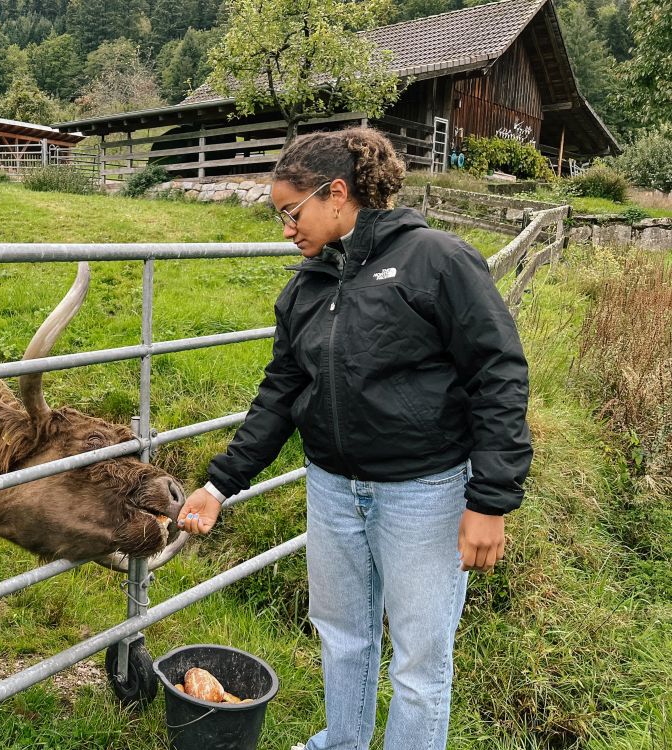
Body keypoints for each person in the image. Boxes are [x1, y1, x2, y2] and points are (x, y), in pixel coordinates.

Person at [176, 127, 532, 750]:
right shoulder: (308, 285)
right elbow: (281, 393)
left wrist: (490, 501)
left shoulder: (437, 260)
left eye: (291, 212)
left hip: (425, 493)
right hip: (334, 490)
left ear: (336, 193)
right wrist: (219, 483)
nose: (286, 229)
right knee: (343, 636)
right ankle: (342, 743)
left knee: (420, 662)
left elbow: (497, 374)